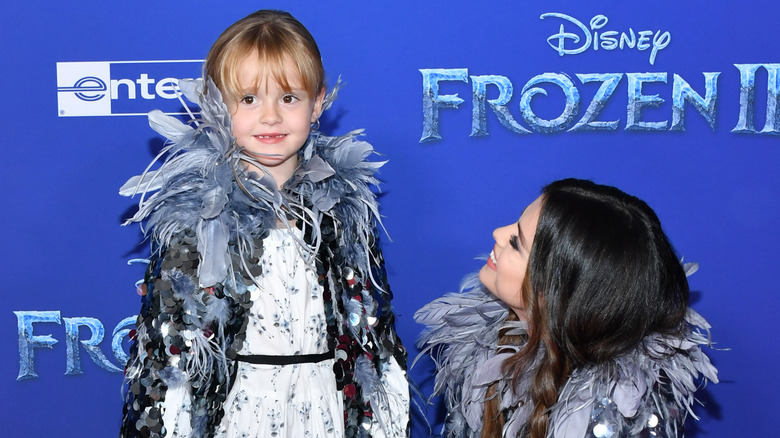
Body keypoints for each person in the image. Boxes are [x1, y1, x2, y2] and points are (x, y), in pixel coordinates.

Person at [119, 10, 409, 438]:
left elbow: (371, 327)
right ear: (216, 107)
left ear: (318, 104)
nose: (270, 116)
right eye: (249, 99)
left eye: (289, 98)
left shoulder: (343, 212)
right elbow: (168, 351)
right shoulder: (197, 217)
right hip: (238, 412)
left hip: (324, 407)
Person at [415, 178, 718, 438]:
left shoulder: (612, 416)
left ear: (555, 293)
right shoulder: (488, 344)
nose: (497, 232)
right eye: (516, 220)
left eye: (517, 243)